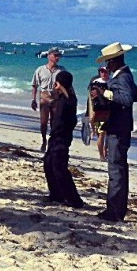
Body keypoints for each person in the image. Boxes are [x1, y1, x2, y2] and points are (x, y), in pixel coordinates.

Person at [92, 42, 137, 222]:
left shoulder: (122, 78)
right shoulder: (126, 76)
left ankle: (114, 211)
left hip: (118, 127)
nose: (107, 67)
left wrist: (106, 94)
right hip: (122, 127)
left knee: (115, 170)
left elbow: (127, 99)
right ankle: (117, 209)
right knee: (119, 168)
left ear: (114, 61)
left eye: (108, 63)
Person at [43, 70, 84, 208]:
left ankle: (73, 199)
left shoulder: (69, 99)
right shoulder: (62, 98)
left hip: (62, 137)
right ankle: (56, 194)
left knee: (59, 167)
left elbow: (68, 100)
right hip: (55, 136)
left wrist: (59, 89)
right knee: (49, 163)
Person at [31, 47, 65, 152]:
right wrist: (33, 99)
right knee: (43, 122)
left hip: (56, 98)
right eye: (55, 55)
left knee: (55, 123)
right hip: (44, 97)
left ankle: (52, 142)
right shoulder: (40, 70)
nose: (57, 58)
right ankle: (44, 140)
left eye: (58, 56)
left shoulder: (62, 70)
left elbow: (67, 84)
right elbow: (34, 85)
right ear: (49, 56)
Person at [86, 66, 110, 161]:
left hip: (109, 111)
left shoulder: (112, 82)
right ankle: (101, 154)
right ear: (99, 72)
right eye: (102, 71)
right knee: (100, 134)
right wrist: (90, 113)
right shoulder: (95, 82)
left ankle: (105, 151)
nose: (104, 73)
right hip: (98, 111)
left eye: (106, 71)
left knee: (106, 133)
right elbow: (91, 100)